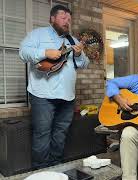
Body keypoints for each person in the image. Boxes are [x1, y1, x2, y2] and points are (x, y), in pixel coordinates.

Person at [19, 5, 89, 169]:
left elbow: (85, 64)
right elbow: (23, 52)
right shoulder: (38, 34)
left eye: (69, 19)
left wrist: (78, 55)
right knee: (42, 135)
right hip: (42, 95)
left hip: (67, 97)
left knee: (60, 135)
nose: (67, 21)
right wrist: (45, 52)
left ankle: (55, 169)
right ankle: (41, 172)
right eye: (63, 17)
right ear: (52, 18)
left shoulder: (73, 41)